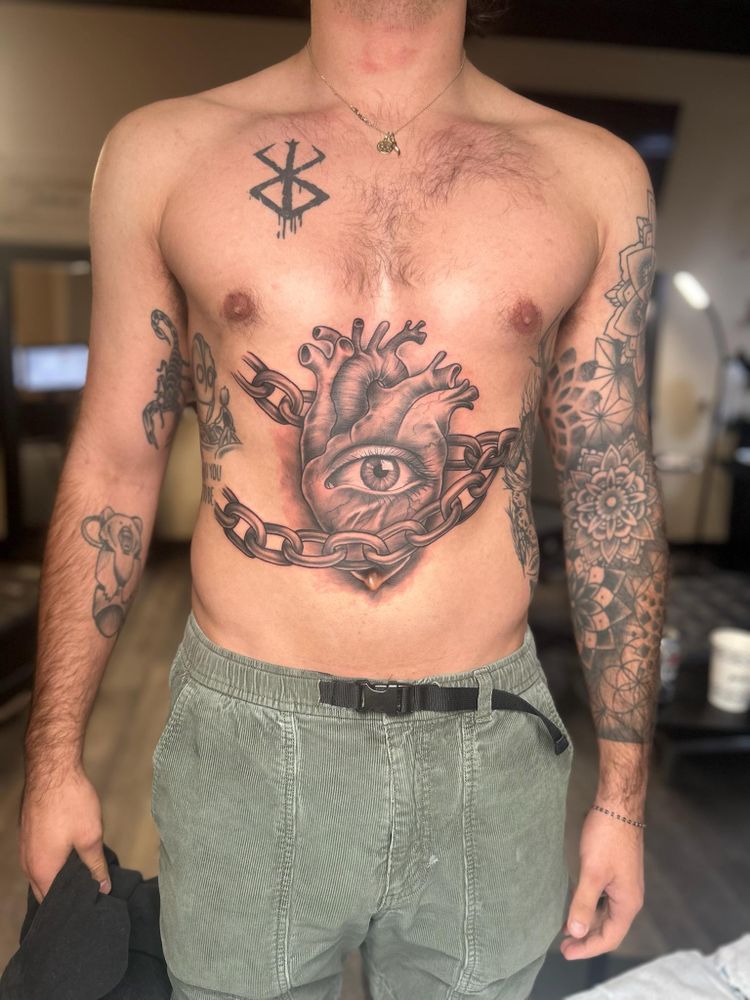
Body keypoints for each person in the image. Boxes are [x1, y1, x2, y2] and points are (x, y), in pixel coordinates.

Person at [18, 0, 669, 997]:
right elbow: (113, 462)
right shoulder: (165, 155)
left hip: (490, 745)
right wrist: (54, 759)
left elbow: (608, 484)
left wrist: (622, 798)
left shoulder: (591, 175)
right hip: (246, 746)